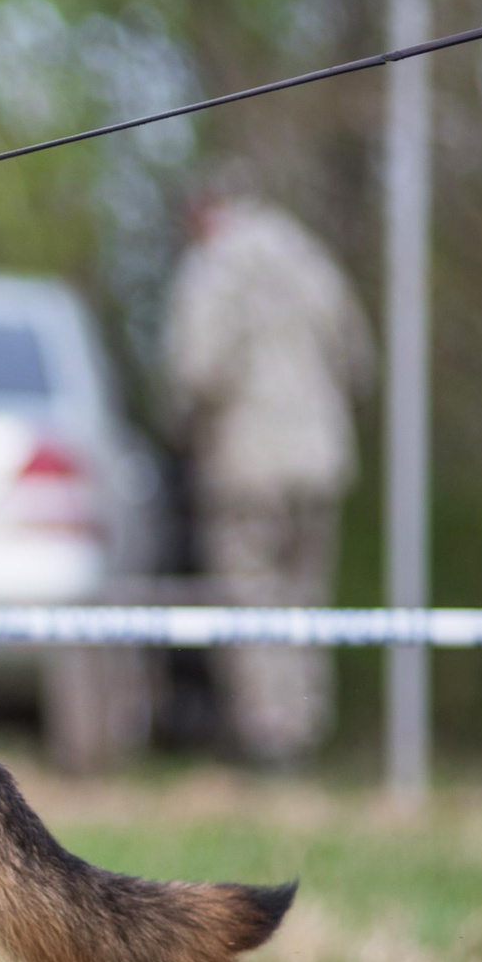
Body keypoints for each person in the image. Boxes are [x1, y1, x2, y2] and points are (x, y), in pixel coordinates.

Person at [163, 180, 374, 766]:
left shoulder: (216, 264)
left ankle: (270, 740)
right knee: (305, 598)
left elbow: (197, 370)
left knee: (253, 595)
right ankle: (305, 731)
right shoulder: (311, 259)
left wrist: (181, 430)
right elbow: (359, 362)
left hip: (247, 460)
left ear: (201, 212)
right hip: (323, 458)